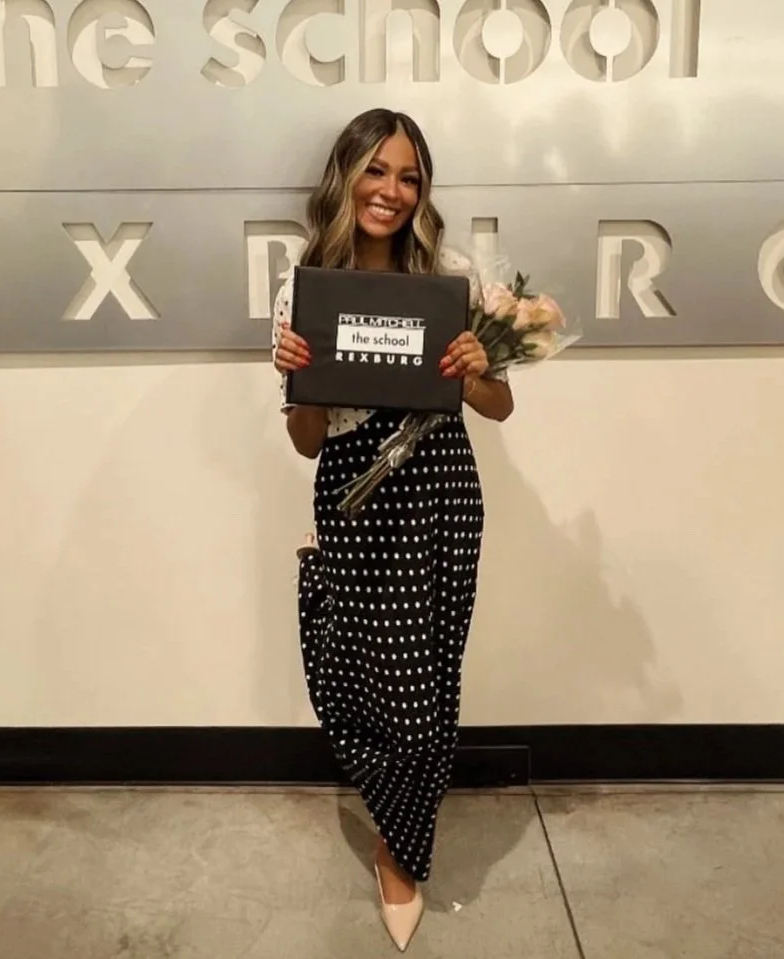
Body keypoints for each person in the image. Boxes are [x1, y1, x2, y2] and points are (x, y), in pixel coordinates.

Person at [272, 108, 514, 952]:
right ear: (345, 176)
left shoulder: (447, 280)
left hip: (440, 486)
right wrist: (301, 382)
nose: (392, 190)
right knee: (369, 680)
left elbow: (498, 407)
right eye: (377, 170)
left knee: (428, 681)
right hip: (354, 493)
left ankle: (397, 845)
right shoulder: (304, 289)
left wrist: (478, 371)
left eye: (409, 176)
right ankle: (399, 822)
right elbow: (306, 441)